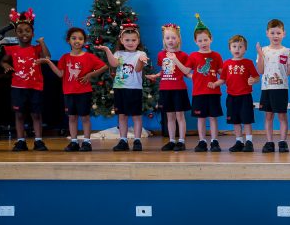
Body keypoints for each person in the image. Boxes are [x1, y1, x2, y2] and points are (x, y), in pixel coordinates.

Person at [42, 27, 107, 152]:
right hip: (69, 92)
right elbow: (60, 74)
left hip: (84, 92)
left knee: (85, 117)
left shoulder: (88, 56)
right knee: (72, 117)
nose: (77, 41)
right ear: (68, 41)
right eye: (74, 38)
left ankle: (87, 142)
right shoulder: (65, 57)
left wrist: (90, 75)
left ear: (84, 41)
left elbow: (104, 67)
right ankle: (74, 142)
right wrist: (49, 63)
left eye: (80, 38)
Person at [0, 8, 50, 152]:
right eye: (20, 31)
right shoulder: (11, 49)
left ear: (32, 33)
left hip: (35, 86)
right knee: (19, 114)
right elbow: (3, 61)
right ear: (16, 33)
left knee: (36, 114)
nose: (24, 34)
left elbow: (47, 58)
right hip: (18, 87)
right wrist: (6, 65)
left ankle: (38, 141)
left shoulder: (36, 49)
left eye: (27, 30)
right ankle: (21, 141)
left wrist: (42, 43)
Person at [96, 23, 148, 152]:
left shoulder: (141, 53)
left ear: (138, 41)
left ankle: (137, 140)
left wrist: (141, 60)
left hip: (135, 89)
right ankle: (123, 140)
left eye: (133, 40)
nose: (130, 42)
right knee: (122, 116)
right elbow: (113, 63)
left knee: (136, 116)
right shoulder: (119, 53)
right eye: (127, 40)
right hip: (120, 89)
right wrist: (107, 50)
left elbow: (137, 69)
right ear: (121, 40)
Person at [145, 23, 191, 152]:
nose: (170, 40)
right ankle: (171, 140)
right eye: (167, 38)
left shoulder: (183, 55)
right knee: (169, 116)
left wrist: (194, 76)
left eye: (173, 38)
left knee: (180, 116)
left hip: (179, 89)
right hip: (165, 89)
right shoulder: (161, 55)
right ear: (164, 40)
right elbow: (165, 71)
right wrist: (156, 75)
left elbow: (185, 71)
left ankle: (181, 141)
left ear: (178, 39)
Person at [187, 15, 225, 152]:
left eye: (206, 40)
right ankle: (202, 141)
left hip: (214, 92)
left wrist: (222, 81)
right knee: (201, 118)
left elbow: (223, 73)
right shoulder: (193, 56)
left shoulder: (216, 56)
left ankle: (214, 141)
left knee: (213, 118)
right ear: (195, 41)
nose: (203, 43)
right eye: (200, 40)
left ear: (211, 39)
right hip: (198, 92)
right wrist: (192, 76)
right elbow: (186, 70)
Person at [256, 18, 290, 153]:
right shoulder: (263, 51)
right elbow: (260, 71)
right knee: (268, 116)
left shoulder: (287, 51)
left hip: (281, 88)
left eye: (278, 33)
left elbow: (288, 72)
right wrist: (260, 55)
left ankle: (283, 142)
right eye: (272, 33)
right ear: (267, 33)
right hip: (267, 88)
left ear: (284, 34)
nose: (275, 36)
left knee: (282, 116)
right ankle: (269, 142)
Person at [222, 34, 259, 152]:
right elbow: (222, 79)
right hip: (232, 96)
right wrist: (214, 83)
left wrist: (253, 80)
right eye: (234, 46)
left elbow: (257, 77)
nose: (237, 49)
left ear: (245, 49)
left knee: (247, 120)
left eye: (240, 47)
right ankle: (239, 141)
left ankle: (249, 142)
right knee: (235, 121)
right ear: (230, 48)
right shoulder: (226, 63)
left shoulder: (248, 62)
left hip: (245, 96)